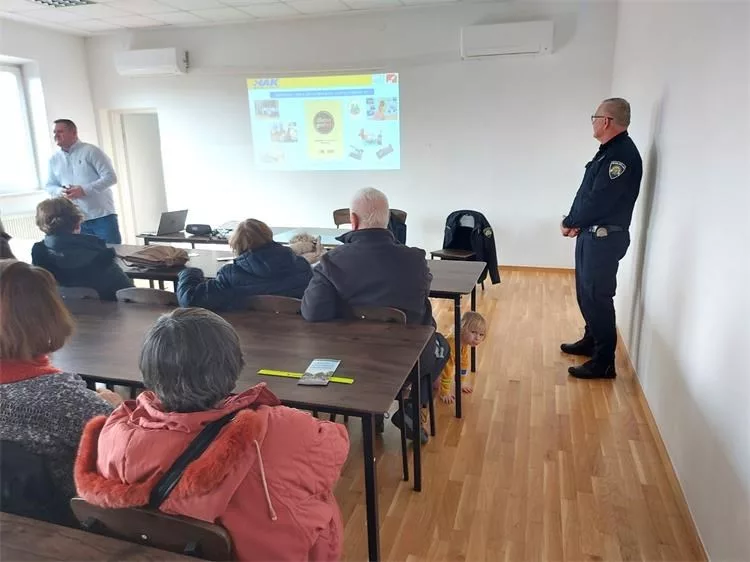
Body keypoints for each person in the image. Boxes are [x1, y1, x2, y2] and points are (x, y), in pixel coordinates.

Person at [74, 308, 349, 562]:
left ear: (149, 374)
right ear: (235, 365)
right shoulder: (281, 427)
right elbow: (337, 445)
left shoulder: (113, 434)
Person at [302, 187, 447, 443]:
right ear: (387, 219)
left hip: (347, 361)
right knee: (441, 346)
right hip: (406, 363)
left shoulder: (330, 262)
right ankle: (412, 405)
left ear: (353, 220)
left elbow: (312, 313)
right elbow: (421, 304)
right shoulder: (414, 259)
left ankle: (371, 409)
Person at [0, 260, 120, 522]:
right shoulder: (64, 399)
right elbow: (123, 452)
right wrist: (116, 410)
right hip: (67, 524)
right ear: (47, 316)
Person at [560, 98, 643, 379]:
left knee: (597, 297)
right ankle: (591, 340)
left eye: (595, 117)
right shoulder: (606, 152)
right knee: (586, 294)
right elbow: (586, 193)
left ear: (606, 121)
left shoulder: (621, 156)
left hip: (605, 239)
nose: (593, 122)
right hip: (591, 234)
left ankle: (604, 362)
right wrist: (573, 221)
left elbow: (600, 200)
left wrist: (571, 222)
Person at [176, 218, 312, 311]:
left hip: (248, 334)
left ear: (236, 245)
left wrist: (189, 272)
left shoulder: (230, 275)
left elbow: (190, 301)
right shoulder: (302, 266)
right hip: (298, 333)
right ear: (269, 236)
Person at [31, 197, 133, 301]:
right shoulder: (101, 257)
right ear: (78, 222)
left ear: (41, 225)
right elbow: (131, 294)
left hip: (58, 311)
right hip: (104, 311)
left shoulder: (38, 260)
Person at [45, 119, 121, 244]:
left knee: (112, 251)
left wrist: (84, 190)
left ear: (74, 132)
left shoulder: (91, 151)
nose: (56, 135)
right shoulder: (54, 159)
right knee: (83, 254)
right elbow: (49, 185)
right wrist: (61, 191)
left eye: (60, 131)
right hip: (75, 219)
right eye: (54, 132)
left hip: (101, 216)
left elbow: (110, 177)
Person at [438, 311, 487, 404]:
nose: (477, 338)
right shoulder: (452, 344)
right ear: (462, 328)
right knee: (436, 385)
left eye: (481, 334)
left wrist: (460, 383)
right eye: (473, 332)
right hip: (433, 364)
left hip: (439, 365)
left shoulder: (463, 344)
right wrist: (444, 392)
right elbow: (447, 369)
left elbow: (463, 364)